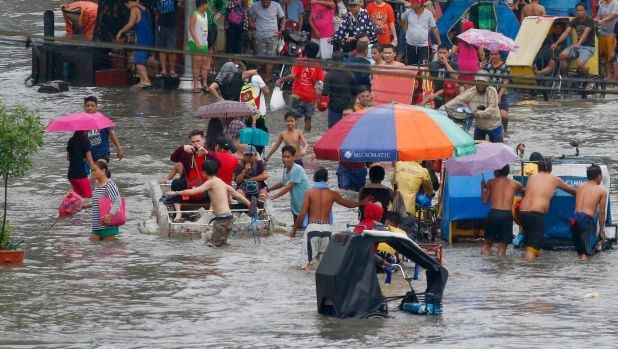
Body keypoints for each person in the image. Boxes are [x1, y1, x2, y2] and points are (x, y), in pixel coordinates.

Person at [290, 167, 371, 270]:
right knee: (324, 266)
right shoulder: (332, 194)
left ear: (314, 178)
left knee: (307, 265)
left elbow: (302, 214)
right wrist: (361, 202)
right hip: (327, 230)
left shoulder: (309, 193)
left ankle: (307, 286)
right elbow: (348, 204)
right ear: (327, 179)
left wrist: (294, 229)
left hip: (313, 229)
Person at [166, 160, 251, 247]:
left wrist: (176, 192)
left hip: (221, 220)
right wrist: (249, 204)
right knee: (222, 245)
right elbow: (237, 194)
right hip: (229, 218)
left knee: (213, 246)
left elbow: (192, 192)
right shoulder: (221, 182)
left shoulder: (210, 183)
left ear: (204, 172)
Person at [519, 158, 576, 261]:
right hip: (535, 214)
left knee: (529, 244)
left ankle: (526, 267)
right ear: (551, 169)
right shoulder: (554, 179)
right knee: (533, 248)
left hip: (523, 213)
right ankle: (529, 272)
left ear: (538, 168)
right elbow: (573, 191)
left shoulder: (531, 178)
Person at [168, 130, 221, 223]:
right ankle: (178, 213)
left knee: (215, 185)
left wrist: (207, 154)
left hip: (205, 189)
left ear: (203, 140)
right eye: (193, 142)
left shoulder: (208, 152)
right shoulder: (187, 153)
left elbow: (219, 164)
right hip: (189, 188)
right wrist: (182, 147)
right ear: (190, 143)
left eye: (198, 141)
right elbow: (173, 158)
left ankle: (211, 211)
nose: (196, 144)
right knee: (176, 182)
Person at [275, 41, 324, 132]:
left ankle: (294, 136)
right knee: (308, 118)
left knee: (294, 117)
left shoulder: (299, 61)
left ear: (305, 50)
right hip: (310, 96)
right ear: (316, 53)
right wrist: (318, 97)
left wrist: (281, 80)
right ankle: (307, 136)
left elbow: (292, 76)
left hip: (297, 95)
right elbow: (320, 83)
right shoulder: (318, 66)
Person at [443, 71, 503, 143]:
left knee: (499, 149)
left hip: (494, 126)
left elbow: (492, 109)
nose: (480, 85)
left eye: (483, 82)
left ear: (487, 83)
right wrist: (443, 108)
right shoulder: (470, 92)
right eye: (478, 82)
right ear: (475, 82)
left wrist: (477, 114)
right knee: (476, 150)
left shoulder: (492, 91)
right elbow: (458, 100)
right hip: (479, 127)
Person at [480, 165, 525, 256]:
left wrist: (483, 188)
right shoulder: (516, 184)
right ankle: (501, 267)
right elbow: (525, 192)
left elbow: (484, 201)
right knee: (502, 248)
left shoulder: (490, 182)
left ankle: (487, 265)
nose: (493, 172)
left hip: (493, 214)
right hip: (506, 215)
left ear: (497, 171)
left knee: (487, 245)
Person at [553, 3, 596, 89]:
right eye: (578, 10)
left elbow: (585, 33)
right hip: (577, 45)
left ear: (586, 11)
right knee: (562, 55)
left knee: (579, 63)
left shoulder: (590, 20)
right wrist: (556, 43)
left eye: (581, 10)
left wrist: (578, 44)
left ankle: (589, 81)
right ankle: (565, 77)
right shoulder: (574, 21)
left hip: (588, 47)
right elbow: (566, 33)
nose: (579, 12)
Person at [570, 165, 608, 260]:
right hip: (585, 220)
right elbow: (601, 213)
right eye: (601, 175)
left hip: (573, 219)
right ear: (598, 176)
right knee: (586, 254)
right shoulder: (601, 191)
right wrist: (601, 231)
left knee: (581, 252)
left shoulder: (579, 186)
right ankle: (586, 274)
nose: (602, 177)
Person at [266, 145, 311, 224]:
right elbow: (282, 183)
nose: (285, 159)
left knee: (303, 230)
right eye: (283, 156)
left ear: (293, 157)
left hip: (306, 206)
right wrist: (268, 189)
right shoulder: (286, 170)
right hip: (296, 206)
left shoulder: (298, 169)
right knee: (298, 232)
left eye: (288, 157)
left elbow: (289, 186)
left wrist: (273, 196)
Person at [116, 0, 154, 88]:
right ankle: (142, 80)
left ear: (131, 2)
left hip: (142, 39)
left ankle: (146, 82)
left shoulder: (135, 9)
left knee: (138, 62)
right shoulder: (146, 9)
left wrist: (120, 32)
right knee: (142, 61)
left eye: (127, 4)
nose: (127, 6)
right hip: (149, 38)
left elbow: (130, 24)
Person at [248, 0, 286, 82]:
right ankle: (259, 77)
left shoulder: (276, 6)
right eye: (263, 2)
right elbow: (249, 13)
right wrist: (251, 23)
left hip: (273, 35)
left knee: (271, 58)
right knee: (260, 57)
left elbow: (283, 18)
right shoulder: (255, 6)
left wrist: (282, 29)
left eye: (267, 2)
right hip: (260, 36)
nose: (265, 3)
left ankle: (267, 78)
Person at [83, 96, 124, 163]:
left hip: (102, 154)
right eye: (88, 106)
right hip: (88, 155)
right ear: (84, 107)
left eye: (92, 106)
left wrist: (119, 148)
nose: (90, 108)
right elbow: (78, 138)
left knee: (100, 170)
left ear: (96, 107)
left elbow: (111, 133)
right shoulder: (81, 121)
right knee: (91, 173)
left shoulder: (102, 118)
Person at [400, 0, 440, 66]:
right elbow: (402, 21)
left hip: (423, 46)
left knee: (423, 67)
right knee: (411, 67)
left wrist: (439, 43)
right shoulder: (408, 12)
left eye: (413, 2)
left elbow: (434, 28)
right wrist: (407, 32)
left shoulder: (428, 14)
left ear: (419, 4)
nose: (411, 3)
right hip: (410, 45)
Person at [323, 51, 356, 128]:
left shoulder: (329, 75)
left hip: (334, 107)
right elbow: (354, 92)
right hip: (347, 107)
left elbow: (325, 93)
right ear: (343, 59)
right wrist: (352, 104)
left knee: (332, 130)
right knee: (346, 130)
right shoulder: (350, 74)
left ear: (332, 60)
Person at [90, 160, 122, 241]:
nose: (92, 173)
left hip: (108, 225)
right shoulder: (97, 185)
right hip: (97, 225)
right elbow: (98, 203)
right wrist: (83, 205)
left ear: (103, 171)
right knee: (94, 248)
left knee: (108, 251)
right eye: (91, 171)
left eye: (95, 170)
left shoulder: (110, 184)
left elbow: (117, 202)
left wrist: (110, 215)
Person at [423, 44, 460, 109]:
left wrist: (446, 63)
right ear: (437, 53)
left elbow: (456, 77)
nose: (442, 55)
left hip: (449, 94)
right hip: (434, 94)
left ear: (448, 54)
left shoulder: (454, 64)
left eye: (444, 53)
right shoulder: (432, 65)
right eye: (440, 53)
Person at [483, 51, 511, 132]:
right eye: (492, 54)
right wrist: (480, 68)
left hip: (502, 94)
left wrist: (499, 96)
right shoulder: (487, 66)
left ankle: (505, 129)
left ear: (499, 55)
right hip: (488, 94)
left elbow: (505, 83)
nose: (493, 56)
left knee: (504, 116)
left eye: (496, 54)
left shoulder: (505, 67)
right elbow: (483, 81)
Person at [450, 21, 484, 85]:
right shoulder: (477, 39)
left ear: (463, 29)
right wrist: (482, 61)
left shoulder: (459, 38)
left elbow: (453, 52)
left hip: (461, 66)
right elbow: (481, 54)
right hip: (474, 66)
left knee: (463, 86)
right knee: (473, 87)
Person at [188, 0, 211, 93]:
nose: (208, 5)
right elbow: (191, 28)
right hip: (195, 42)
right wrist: (196, 41)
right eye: (207, 3)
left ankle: (204, 84)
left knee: (205, 63)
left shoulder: (205, 14)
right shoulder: (195, 15)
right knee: (197, 63)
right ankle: (196, 85)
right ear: (203, 4)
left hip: (204, 42)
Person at [66, 130, 95, 199]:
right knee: (89, 197)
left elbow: (68, 158)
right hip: (81, 174)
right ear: (84, 130)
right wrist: (95, 170)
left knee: (78, 198)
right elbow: (89, 159)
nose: (89, 130)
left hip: (71, 175)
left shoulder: (71, 140)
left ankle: (77, 210)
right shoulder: (85, 141)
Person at [155, 0, 178, 78]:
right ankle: (163, 69)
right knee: (162, 48)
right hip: (161, 24)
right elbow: (155, 9)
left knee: (171, 49)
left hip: (172, 24)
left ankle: (172, 69)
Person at [596, 0, 618, 81]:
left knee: (612, 56)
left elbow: (614, 15)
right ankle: (608, 75)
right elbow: (598, 17)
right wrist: (595, 20)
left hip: (613, 33)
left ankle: (615, 77)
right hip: (603, 33)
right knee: (605, 56)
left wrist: (603, 21)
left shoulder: (615, 3)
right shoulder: (603, 4)